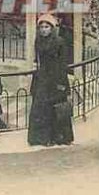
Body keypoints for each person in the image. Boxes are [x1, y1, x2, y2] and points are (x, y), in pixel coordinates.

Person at [27, 14, 74, 146]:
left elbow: (62, 64)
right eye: (41, 27)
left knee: (56, 109)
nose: (43, 30)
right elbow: (38, 61)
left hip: (56, 78)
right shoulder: (38, 41)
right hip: (42, 78)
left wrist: (61, 84)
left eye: (47, 27)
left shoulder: (59, 42)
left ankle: (59, 137)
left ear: (52, 28)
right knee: (40, 109)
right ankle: (41, 138)